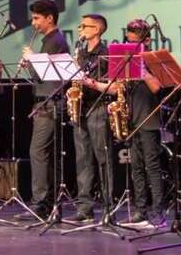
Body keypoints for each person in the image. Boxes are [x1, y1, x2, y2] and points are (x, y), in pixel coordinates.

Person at [16, 0, 70, 221]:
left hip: (50, 104)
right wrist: (31, 63)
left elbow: (46, 76)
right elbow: (39, 76)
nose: (34, 22)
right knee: (44, 154)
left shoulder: (55, 40)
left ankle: (41, 204)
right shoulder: (49, 40)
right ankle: (46, 204)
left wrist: (31, 60)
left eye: (37, 18)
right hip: (44, 102)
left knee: (38, 152)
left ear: (50, 18)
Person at [119, 19, 165, 229]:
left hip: (149, 119)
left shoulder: (153, 59)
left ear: (146, 40)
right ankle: (140, 211)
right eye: (128, 37)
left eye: (134, 39)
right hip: (131, 119)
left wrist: (140, 67)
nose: (129, 41)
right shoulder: (124, 58)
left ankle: (158, 212)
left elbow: (157, 87)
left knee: (152, 167)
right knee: (136, 167)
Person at [69, 13, 114, 223]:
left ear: (96, 30)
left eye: (84, 26)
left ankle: (108, 206)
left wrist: (88, 82)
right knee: (82, 160)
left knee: (102, 159)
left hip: (98, 108)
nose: (80, 29)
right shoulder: (80, 53)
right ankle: (85, 207)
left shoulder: (106, 54)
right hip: (80, 108)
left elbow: (113, 86)